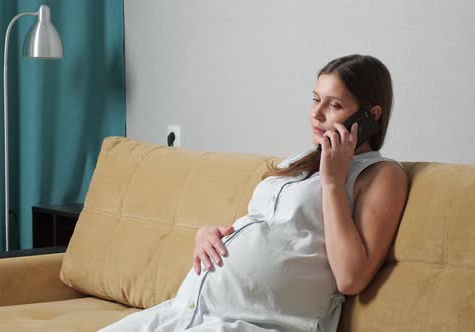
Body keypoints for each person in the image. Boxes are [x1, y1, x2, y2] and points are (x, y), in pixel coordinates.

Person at [98, 54, 409, 332]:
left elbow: (351, 277)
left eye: (334, 105)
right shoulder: (297, 161)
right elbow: (265, 228)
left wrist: (332, 182)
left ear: (371, 116)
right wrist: (208, 235)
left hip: (253, 323)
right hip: (186, 311)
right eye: (315, 99)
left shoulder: (381, 176)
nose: (317, 114)